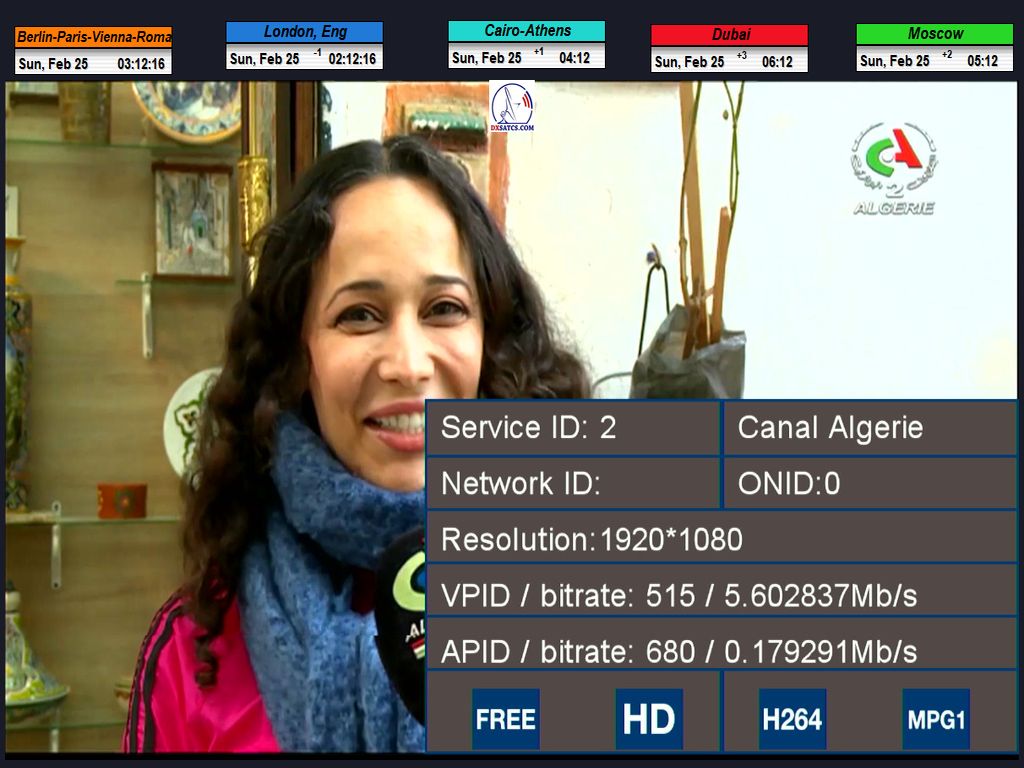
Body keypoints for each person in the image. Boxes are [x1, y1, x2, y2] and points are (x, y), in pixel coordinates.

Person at [122, 136, 590, 753]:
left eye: (444, 308)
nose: (408, 364)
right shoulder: (194, 651)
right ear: (297, 356)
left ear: (491, 337)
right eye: (359, 315)